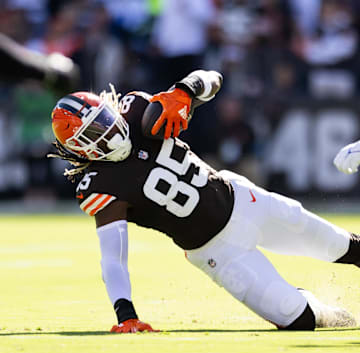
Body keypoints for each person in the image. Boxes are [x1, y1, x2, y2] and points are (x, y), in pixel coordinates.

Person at [49, 69, 359, 333]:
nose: (107, 131)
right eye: (93, 132)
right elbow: (113, 258)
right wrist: (126, 316)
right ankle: (319, 308)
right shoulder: (99, 185)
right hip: (216, 251)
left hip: (243, 200)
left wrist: (184, 91)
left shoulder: (139, 110)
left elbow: (213, 77)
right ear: (80, 149)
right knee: (297, 318)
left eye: (103, 119)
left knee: (343, 246)